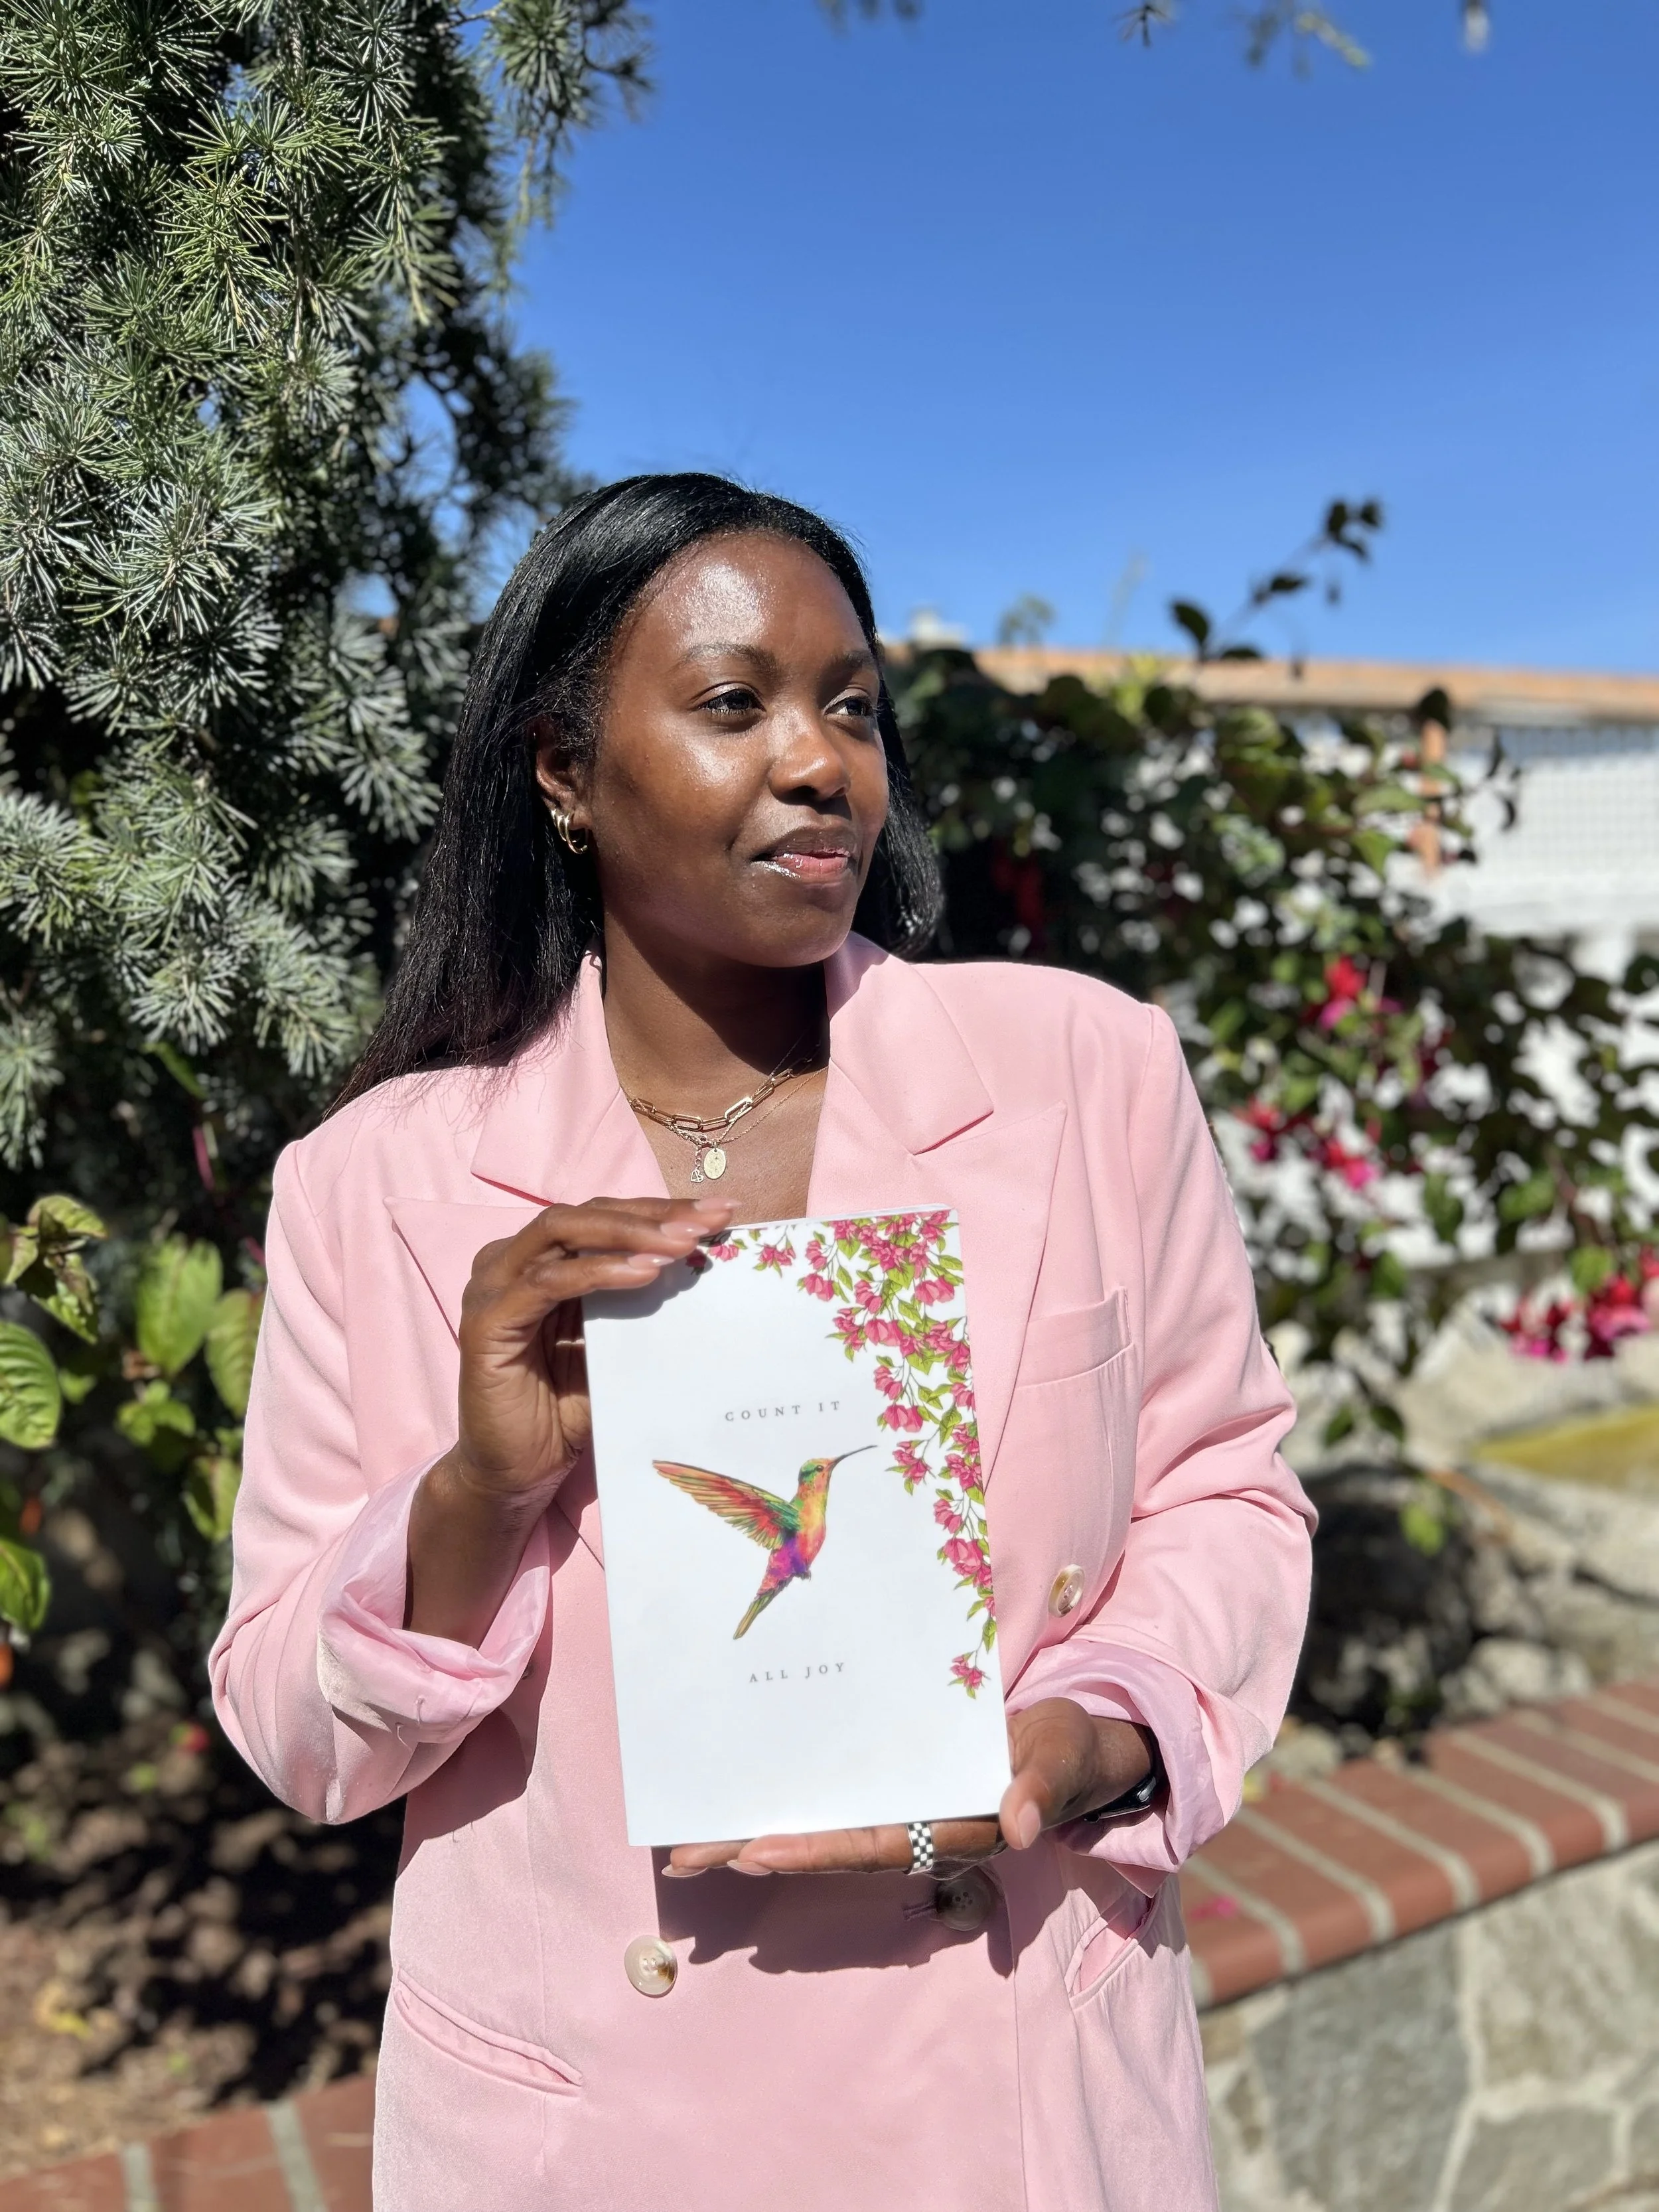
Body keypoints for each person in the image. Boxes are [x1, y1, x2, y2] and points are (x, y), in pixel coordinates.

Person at [211, 473, 1314, 2212]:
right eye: (735, 704)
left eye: (853, 707)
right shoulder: (381, 1185)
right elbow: (301, 1735)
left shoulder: (1081, 1075)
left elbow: (1226, 1490)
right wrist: (478, 1492)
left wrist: (1100, 1730)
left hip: (1020, 2095)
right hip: (609, 2132)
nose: (821, 762)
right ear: (561, 771)